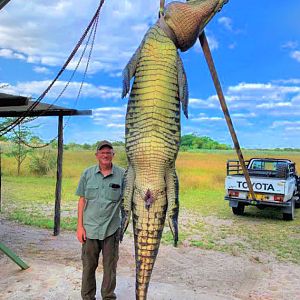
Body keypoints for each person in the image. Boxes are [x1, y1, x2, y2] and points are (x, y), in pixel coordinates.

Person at [76, 140, 125, 300]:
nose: (105, 155)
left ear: (113, 155)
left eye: (108, 152)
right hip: (89, 230)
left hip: (111, 230)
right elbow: (82, 201)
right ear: (97, 155)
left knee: (110, 267)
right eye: (102, 152)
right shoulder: (87, 174)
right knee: (89, 266)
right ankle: (88, 297)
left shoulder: (123, 175)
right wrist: (80, 227)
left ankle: (108, 297)